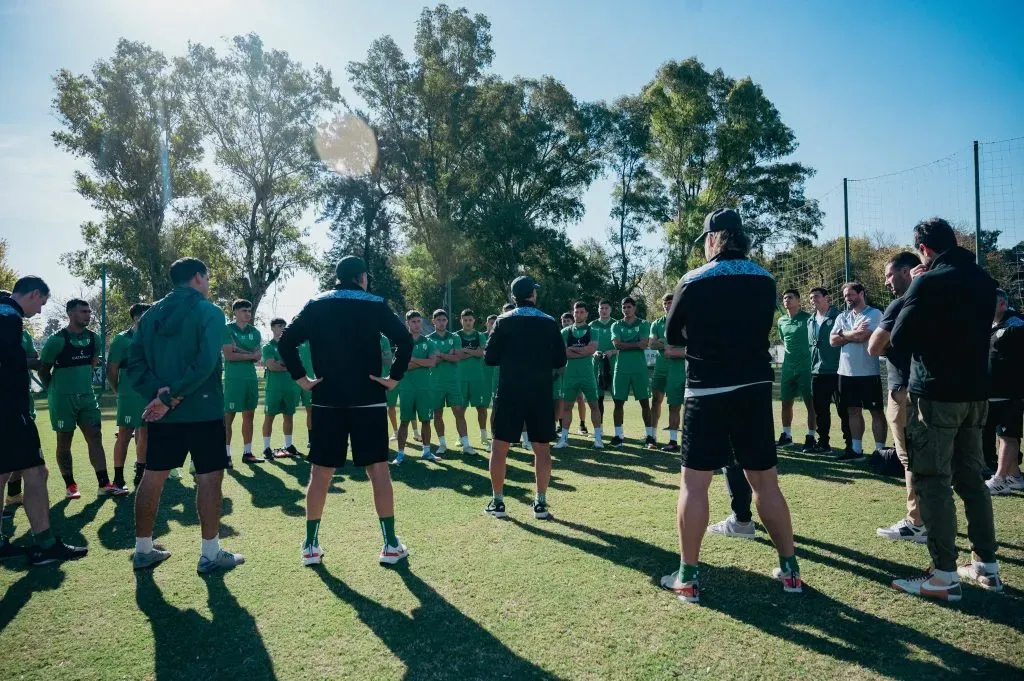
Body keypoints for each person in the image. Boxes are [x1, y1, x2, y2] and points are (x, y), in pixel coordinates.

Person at [660, 208, 801, 604]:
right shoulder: (765, 279)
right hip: (754, 389)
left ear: (713, 239)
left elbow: (674, 334)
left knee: (694, 483)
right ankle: (790, 570)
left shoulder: (692, 280)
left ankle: (687, 577)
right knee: (766, 483)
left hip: (706, 390)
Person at [888, 217, 1002, 600]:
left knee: (932, 480)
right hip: (976, 394)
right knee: (971, 477)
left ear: (924, 249)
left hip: (936, 395)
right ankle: (987, 565)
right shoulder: (983, 279)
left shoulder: (929, 281)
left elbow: (899, 338)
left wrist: (917, 287)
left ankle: (943, 575)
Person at [278, 255, 413, 567]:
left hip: (327, 398)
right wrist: (393, 378)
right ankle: (390, 545)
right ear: (362, 277)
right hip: (369, 398)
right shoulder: (375, 303)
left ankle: (310, 546)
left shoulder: (316, 303)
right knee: (378, 469)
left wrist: (302, 378)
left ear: (336, 277)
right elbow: (405, 340)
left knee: (320, 472)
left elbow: (287, 343)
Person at [126, 258, 244, 574]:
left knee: (152, 476)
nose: (208, 283)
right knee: (209, 477)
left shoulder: (149, 315)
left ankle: (143, 550)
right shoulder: (210, 311)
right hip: (202, 410)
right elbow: (205, 362)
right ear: (196, 277)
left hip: (165, 415)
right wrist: (170, 396)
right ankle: (210, 554)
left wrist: (160, 395)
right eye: (207, 277)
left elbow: (134, 365)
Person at [0, 277, 88, 565]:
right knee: (36, 472)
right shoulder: (9, 316)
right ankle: (45, 545)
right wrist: (34, 364)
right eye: (42, 303)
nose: (39, 311)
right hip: (10, 409)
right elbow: (8, 362)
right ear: (34, 294)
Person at [485, 276, 566, 520]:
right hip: (540, 393)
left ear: (513, 297)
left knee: (500, 447)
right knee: (542, 449)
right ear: (533, 294)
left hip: (509, 391)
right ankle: (540, 503)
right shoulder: (550, 322)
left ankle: (498, 502)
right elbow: (560, 360)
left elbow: (489, 358)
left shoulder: (502, 321)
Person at [868, 252, 928, 543]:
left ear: (907, 272)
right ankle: (932, 516)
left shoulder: (900, 304)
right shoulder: (936, 302)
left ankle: (916, 521)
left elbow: (874, 346)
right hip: (930, 389)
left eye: (890, 274)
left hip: (903, 389)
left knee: (909, 459)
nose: (886, 281)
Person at [39, 298, 125, 498]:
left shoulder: (94, 338)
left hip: (87, 398)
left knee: (95, 436)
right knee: (64, 440)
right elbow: (44, 371)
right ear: (70, 313)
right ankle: (70, 485)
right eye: (83, 311)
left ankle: (104, 484)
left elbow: (92, 365)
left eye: (88, 311)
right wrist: (55, 390)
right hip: (62, 399)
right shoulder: (56, 340)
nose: (88, 314)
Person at [830, 282, 887, 461]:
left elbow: (863, 336)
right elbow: (832, 341)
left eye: (850, 294)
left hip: (869, 372)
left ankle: (880, 452)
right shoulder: (842, 316)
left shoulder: (874, 313)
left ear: (861, 293)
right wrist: (850, 333)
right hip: (845, 373)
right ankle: (856, 450)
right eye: (845, 295)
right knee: (853, 411)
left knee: (876, 412)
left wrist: (843, 334)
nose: (847, 298)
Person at [983, 289, 1024, 495]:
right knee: (1004, 434)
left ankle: (999, 478)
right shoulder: (989, 325)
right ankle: (1015, 476)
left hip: (1011, 390)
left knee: (1008, 435)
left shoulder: (1016, 324)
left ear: (1002, 305)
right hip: (992, 391)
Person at [107, 303, 152, 489]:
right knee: (125, 433)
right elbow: (111, 369)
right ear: (136, 318)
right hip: (128, 392)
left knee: (145, 432)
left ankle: (140, 473)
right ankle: (118, 479)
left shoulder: (154, 338)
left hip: (148, 392)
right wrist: (118, 390)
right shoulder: (121, 340)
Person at [392, 311, 441, 464]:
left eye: (419, 321)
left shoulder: (429, 342)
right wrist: (421, 361)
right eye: (413, 321)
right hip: (406, 388)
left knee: (426, 421)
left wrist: (412, 360)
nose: (417, 324)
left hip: (425, 388)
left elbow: (432, 363)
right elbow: (401, 366)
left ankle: (426, 451)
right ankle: (400, 454)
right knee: (404, 421)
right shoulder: (402, 342)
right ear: (407, 323)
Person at [807, 287, 851, 454]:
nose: (813, 300)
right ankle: (823, 443)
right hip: (817, 372)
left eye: (816, 296)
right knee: (820, 411)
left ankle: (850, 445)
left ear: (827, 298)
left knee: (843, 410)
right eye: (811, 298)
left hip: (838, 371)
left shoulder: (840, 316)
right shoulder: (810, 321)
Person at [555, 302, 603, 449]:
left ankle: (598, 439)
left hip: (587, 374)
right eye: (576, 312)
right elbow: (564, 353)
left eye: (582, 312)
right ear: (573, 313)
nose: (578, 315)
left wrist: (572, 350)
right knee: (567, 407)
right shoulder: (565, 332)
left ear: (587, 314)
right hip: (570, 375)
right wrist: (581, 350)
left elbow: (590, 350)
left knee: (594, 405)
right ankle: (563, 439)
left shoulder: (593, 330)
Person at [222, 300, 262, 465]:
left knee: (249, 416)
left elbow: (258, 356)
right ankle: (225, 455)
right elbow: (229, 355)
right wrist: (249, 354)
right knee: (228, 418)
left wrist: (239, 349)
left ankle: (247, 453)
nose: (248, 313)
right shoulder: (226, 329)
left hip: (250, 379)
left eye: (249, 311)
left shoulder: (256, 332)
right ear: (235, 313)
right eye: (244, 310)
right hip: (233, 380)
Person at [777, 289, 817, 452]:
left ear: (799, 301)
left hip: (806, 366)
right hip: (788, 367)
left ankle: (811, 436)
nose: (787, 300)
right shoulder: (781, 321)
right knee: (786, 402)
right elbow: (783, 340)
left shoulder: (808, 319)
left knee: (810, 403)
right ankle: (786, 436)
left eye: (790, 297)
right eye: (785, 298)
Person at [610, 297, 652, 447]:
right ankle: (618, 436)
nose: (626, 310)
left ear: (634, 308)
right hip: (621, 368)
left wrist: (625, 344)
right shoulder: (616, 325)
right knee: (618, 403)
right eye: (624, 307)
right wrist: (635, 343)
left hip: (639, 368)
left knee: (644, 402)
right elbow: (617, 345)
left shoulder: (643, 324)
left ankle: (650, 436)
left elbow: (644, 344)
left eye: (629, 307)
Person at [427, 309, 468, 455]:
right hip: (435, 382)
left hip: (453, 382)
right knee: (438, 414)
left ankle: (466, 445)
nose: (441, 322)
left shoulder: (455, 337)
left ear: (447, 321)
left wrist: (441, 355)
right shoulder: (428, 339)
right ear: (433, 321)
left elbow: (458, 357)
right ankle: (442, 444)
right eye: (438, 320)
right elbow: (431, 362)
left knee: (459, 412)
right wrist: (448, 355)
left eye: (444, 320)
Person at [261, 318, 302, 460]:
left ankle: (288, 445)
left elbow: (297, 365)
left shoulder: (291, 347)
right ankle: (266, 448)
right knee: (269, 417)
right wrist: (287, 365)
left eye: (284, 326)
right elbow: (272, 366)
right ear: (272, 328)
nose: (282, 329)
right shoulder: (268, 347)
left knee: (289, 417)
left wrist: (283, 364)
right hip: (273, 389)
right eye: (279, 326)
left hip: (290, 388)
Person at [456, 309, 489, 453]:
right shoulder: (456, 335)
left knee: (481, 408)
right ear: (461, 321)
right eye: (465, 320)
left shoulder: (480, 335)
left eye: (470, 320)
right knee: (460, 410)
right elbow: (458, 356)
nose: (468, 322)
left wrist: (466, 351)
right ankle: (461, 437)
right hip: (461, 378)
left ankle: (483, 435)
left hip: (477, 378)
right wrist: (473, 352)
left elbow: (482, 353)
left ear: (474, 321)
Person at [648, 293, 674, 450]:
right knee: (656, 401)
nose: (667, 305)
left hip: (677, 368)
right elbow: (651, 344)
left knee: (675, 404)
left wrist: (661, 342)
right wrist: (666, 345)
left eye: (670, 302)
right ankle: (652, 437)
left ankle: (673, 440)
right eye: (665, 303)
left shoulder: (682, 321)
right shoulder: (656, 323)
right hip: (660, 368)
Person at [589, 300, 617, 420]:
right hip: (597, 366)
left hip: (614, 365)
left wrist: (613, 352)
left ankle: (619, 431)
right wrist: (594, 352)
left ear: (610, 309)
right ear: (598, 309)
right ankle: (599, 428)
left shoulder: (617, 324)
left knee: (617, 399)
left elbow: (624, 347)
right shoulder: (591, 325)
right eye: (601, 308)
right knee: (598, 398)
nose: (604, 311)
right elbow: (586, 345)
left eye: (606, 308)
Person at [381, 333, 400, 440]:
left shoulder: (384, 339)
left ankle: (396, 432)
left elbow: (387, 359)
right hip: (369, 379)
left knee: (390, 406)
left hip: (386, 377)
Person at [298, 340, 315, 446]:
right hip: (300, 380)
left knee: (314, 411)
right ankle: (311, 439)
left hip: (315, 379)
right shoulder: (296, 340)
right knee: (310, 411)